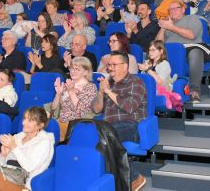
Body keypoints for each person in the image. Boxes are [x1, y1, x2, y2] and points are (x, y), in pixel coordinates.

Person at [92, 51, 147, 190]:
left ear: (125, 66)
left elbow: (129, 107)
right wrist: (100, 92)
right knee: (90, 136)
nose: (110, 68)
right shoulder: (108, 83)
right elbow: (96, 109)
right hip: (108, 126)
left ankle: (134, 177)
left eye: (114, 65)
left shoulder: (136, 82)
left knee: (106, 139)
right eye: (109, 65)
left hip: (131, 125)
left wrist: (109, 92)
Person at [0, 106, 55, 191]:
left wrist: (14, 147)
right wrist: (3, 155)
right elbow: (0, 165)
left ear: (40, 125)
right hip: (8, 177)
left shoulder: (44, 143)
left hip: (24, 185)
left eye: (30, 120)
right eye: (24, 118)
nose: (24, 122)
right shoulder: (17, 137)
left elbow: (29, 167)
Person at [155, 0, 204, 103]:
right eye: (170, 10)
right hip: (169, 53)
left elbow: (191, 35)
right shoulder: (168, 24)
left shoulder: (192, 18)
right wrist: (163, 28)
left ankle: (194, 91)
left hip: (189, 50)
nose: (172, 11)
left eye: (175, 8)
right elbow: (158, 44)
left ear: (182, 9)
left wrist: (171, 27)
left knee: (196, 53)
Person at [50, 57, 97, 140]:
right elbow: (53, 109)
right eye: (71, 68)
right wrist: (58, 94)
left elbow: (81, 110)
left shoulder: (90, 88)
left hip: (75, 124)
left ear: (86, 72)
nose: (73, 71)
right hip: (59, 121)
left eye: (77, 69)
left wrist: (71, 92)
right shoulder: (66, 85)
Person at [139, 41, 182, 111]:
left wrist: (147, 70)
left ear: (161, 51)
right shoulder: (147, 63)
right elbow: (143, 79)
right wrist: (143, 70)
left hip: (162, 89)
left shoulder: (164, 64)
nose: (150, 52)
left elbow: (160, 81)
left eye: (153, 50)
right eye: (149, 50)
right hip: (149, 87)